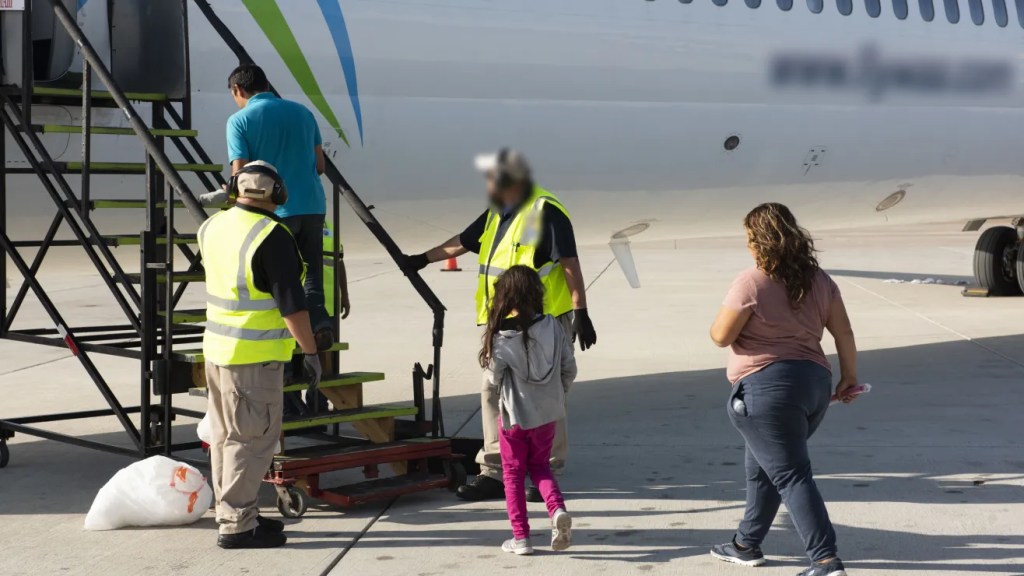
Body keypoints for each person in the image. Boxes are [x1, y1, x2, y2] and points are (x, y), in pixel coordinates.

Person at [401, 149, 597, 502]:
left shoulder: (545, 211)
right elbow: (462, 242)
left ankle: (546, 470)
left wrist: (580, 311)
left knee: (548, 394)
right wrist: (422, 259)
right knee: (491, 392)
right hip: (502, 323)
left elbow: (569, 261)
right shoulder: (497, 212)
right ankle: (494, 471)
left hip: (544, 321)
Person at [708, 203, 859, 576]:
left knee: (791, 474)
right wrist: (849, 376)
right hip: (814, 385)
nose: (747, 246)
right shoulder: (820, 280)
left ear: (759, 241)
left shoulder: (752, 281)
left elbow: (721, 335)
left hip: (767, 392)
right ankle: (746, 544)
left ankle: (825, 560)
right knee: (764, 468)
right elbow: (843, 332)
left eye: (749, 239)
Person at [197, 161, 323, 549]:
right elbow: (292, 307)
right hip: (252, 359)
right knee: (250, 442)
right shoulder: (272, 236)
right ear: (279, 194)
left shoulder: (212, 226)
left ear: (234, 189)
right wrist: (310, 351)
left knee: (226, 438)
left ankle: (236, 513)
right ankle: (237, 526)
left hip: (217, 351)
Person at [226, 63, 330, 415]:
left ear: (238, 90)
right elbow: (320, 166)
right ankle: (320, 327)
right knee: (311, 276)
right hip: (312, 205)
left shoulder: (239, 121)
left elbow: (240, 174)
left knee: (279, 286)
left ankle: (288, 361)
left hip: (274, 213)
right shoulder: (303, 113)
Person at [480, 266, 576, 556]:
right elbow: (569, 368)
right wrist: (556, 394)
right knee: (540, 466)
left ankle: (521, 537)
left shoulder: (502, 337)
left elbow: (492, 378)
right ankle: (557, 509)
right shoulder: (553, 326)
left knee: (512, 475)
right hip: (547, 415)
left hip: (515, 419)